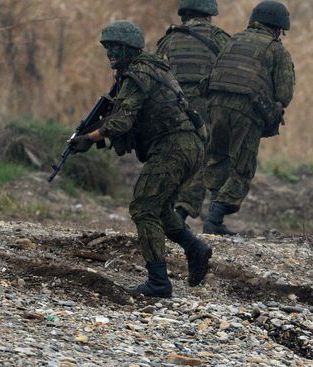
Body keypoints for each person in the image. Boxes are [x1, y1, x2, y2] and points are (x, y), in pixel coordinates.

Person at [69, 20, 212, 298]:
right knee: (158, 208)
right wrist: (98, 132)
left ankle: (159, 283)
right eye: (107, 48)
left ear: (129, 48)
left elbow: (122, 121)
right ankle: (195, 248)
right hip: (189, 145)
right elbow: (131, 120)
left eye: (115, 48)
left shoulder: (136, 74)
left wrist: (91, 137)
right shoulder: (154, 67)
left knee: (143, 208)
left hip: (173, 146)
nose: (110, 54)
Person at [202, 0, 295, 235]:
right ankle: (215, 217)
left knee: (218, 157)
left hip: (214, 103)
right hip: (246, 108)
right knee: (242, 165)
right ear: (278, 27)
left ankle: (214, 214)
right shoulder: (276, 49)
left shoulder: (233, 40)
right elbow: (284, 93)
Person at [156, 0, 230, 222]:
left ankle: (166, 205)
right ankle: (182, 209)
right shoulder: (219, 38)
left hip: (171, 104)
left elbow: (155, 72)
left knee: (173, 154)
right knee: (201, 156)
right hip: (204, 105)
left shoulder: (168, 40)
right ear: (209, 15)